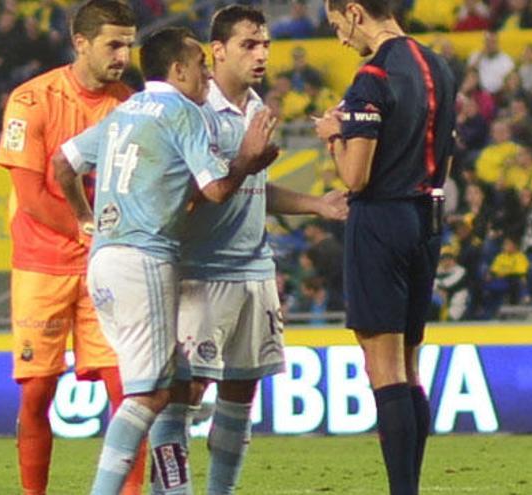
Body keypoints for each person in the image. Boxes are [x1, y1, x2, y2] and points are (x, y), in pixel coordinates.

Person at [53, 26, 279, 495]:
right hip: (146, 259)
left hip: (104, 259)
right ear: (178, 69)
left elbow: (62, 161)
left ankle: (173, 492)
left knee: (171, 383)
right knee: (152, 393)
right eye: (200, 66)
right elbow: (217, 189)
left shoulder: (124, 112)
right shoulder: (183, 113)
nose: (205, 76)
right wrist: (248, 161)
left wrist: (84, 216)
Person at [147, 7, 348, 494]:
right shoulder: (190, 108)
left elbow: (257, 185)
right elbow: (192, 192)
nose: (261, 55)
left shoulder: (256, 107)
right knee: (183, 393)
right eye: (248, 45)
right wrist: (245, 161)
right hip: (199, 270)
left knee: (241, 389)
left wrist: (316, 204)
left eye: (265, 45)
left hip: (254, 267)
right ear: (216, 51)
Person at [0, 2, 145, 493]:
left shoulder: (132, 105)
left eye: (128, 44)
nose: (124, 55)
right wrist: (90, 231)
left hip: (108, 267)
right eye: (113, 44)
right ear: (81, 43)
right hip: (43, 264)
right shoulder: (31, 101)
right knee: (38, 391)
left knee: (128, 389)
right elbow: (34, 196)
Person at [315, 1, 456, 494]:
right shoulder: (438, 65)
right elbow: (449, 153)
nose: (340, 39)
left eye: (338, 26)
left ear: (356, 12)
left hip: (381, 219)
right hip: (427, 218)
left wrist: (333, 136)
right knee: (411, 365)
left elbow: (355, 177)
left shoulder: (371, 76)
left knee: (384, 366)